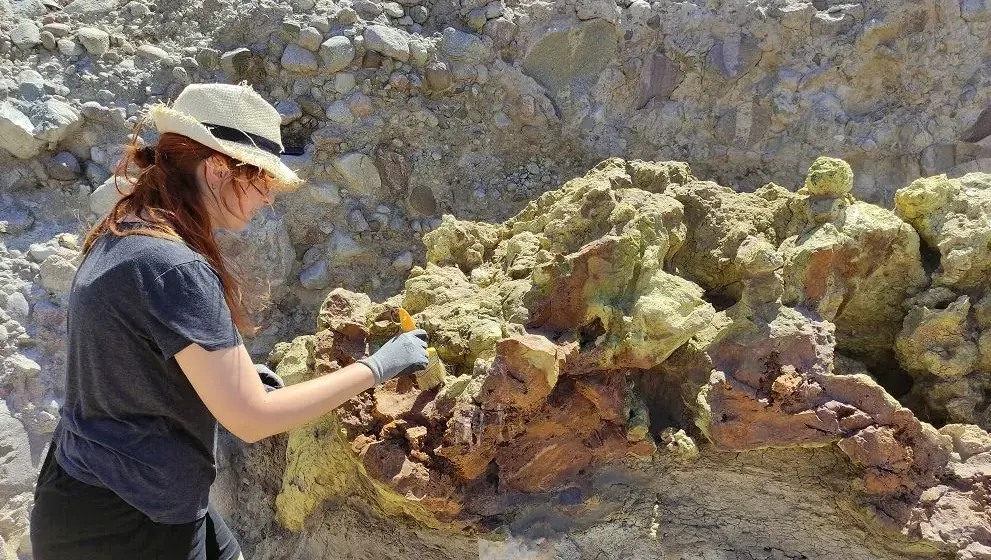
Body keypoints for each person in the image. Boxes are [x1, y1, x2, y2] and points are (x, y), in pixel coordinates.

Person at [29, 82, 430, 560]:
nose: (269, 198)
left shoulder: (128, 231)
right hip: (126, 524)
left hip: (98, 487)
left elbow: (131, 356)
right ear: (218, 169)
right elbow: (252, 418)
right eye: (262, 179)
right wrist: (378, 368)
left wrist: (232, 373)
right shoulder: (173, 267)